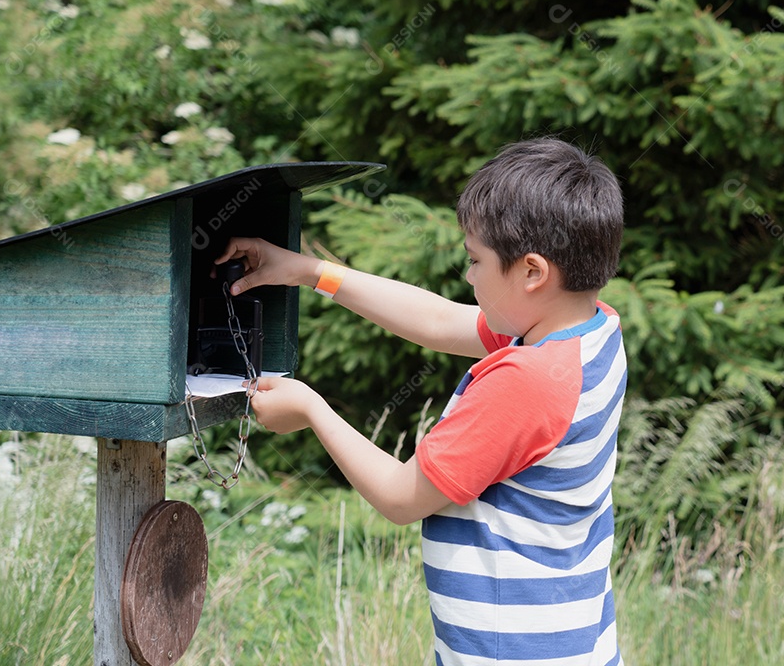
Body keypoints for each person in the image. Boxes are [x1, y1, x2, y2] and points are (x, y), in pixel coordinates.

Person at [215, 137, 627, 665]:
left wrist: (312, 410)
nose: (468, 276)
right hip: (572, 641)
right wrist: (309, 271)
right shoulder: (587, 331)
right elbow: (437, 321)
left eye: (475, 261)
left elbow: (401, 497)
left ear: (532, 272)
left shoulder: (528, 381)